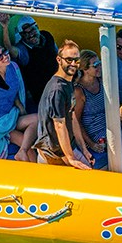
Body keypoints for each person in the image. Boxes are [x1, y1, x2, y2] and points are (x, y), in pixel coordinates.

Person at [27, 40, 92, 169]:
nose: (73, 64)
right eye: (69, 60)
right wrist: (71, 158)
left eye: (76, 60)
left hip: (66, 149)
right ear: (59, 60)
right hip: (53, 154)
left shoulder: (68, 83)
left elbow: (72, 117)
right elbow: (59, 125)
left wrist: (84, 149)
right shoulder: (57, 89)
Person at [8, 15, 58, 108]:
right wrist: (5, 28)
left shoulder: (46, 35)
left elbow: (57, 53)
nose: (30, 34)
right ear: (22, 36)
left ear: (37, 27)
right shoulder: (23, 49)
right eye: (25, 33)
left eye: (32, 30)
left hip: (58, 81)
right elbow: (10, 48)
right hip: (43, 94)